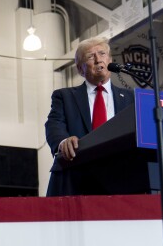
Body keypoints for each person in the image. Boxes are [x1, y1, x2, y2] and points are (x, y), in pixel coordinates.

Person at [45, 36, 135, 196]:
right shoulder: (64, 97)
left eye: (102, 54)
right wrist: (63, 141)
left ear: (110, 60)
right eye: (90, 56)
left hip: (121, 179)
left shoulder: (131, 98)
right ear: (80, 69)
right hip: (75, 178)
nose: (98, 59)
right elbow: (54, 125)